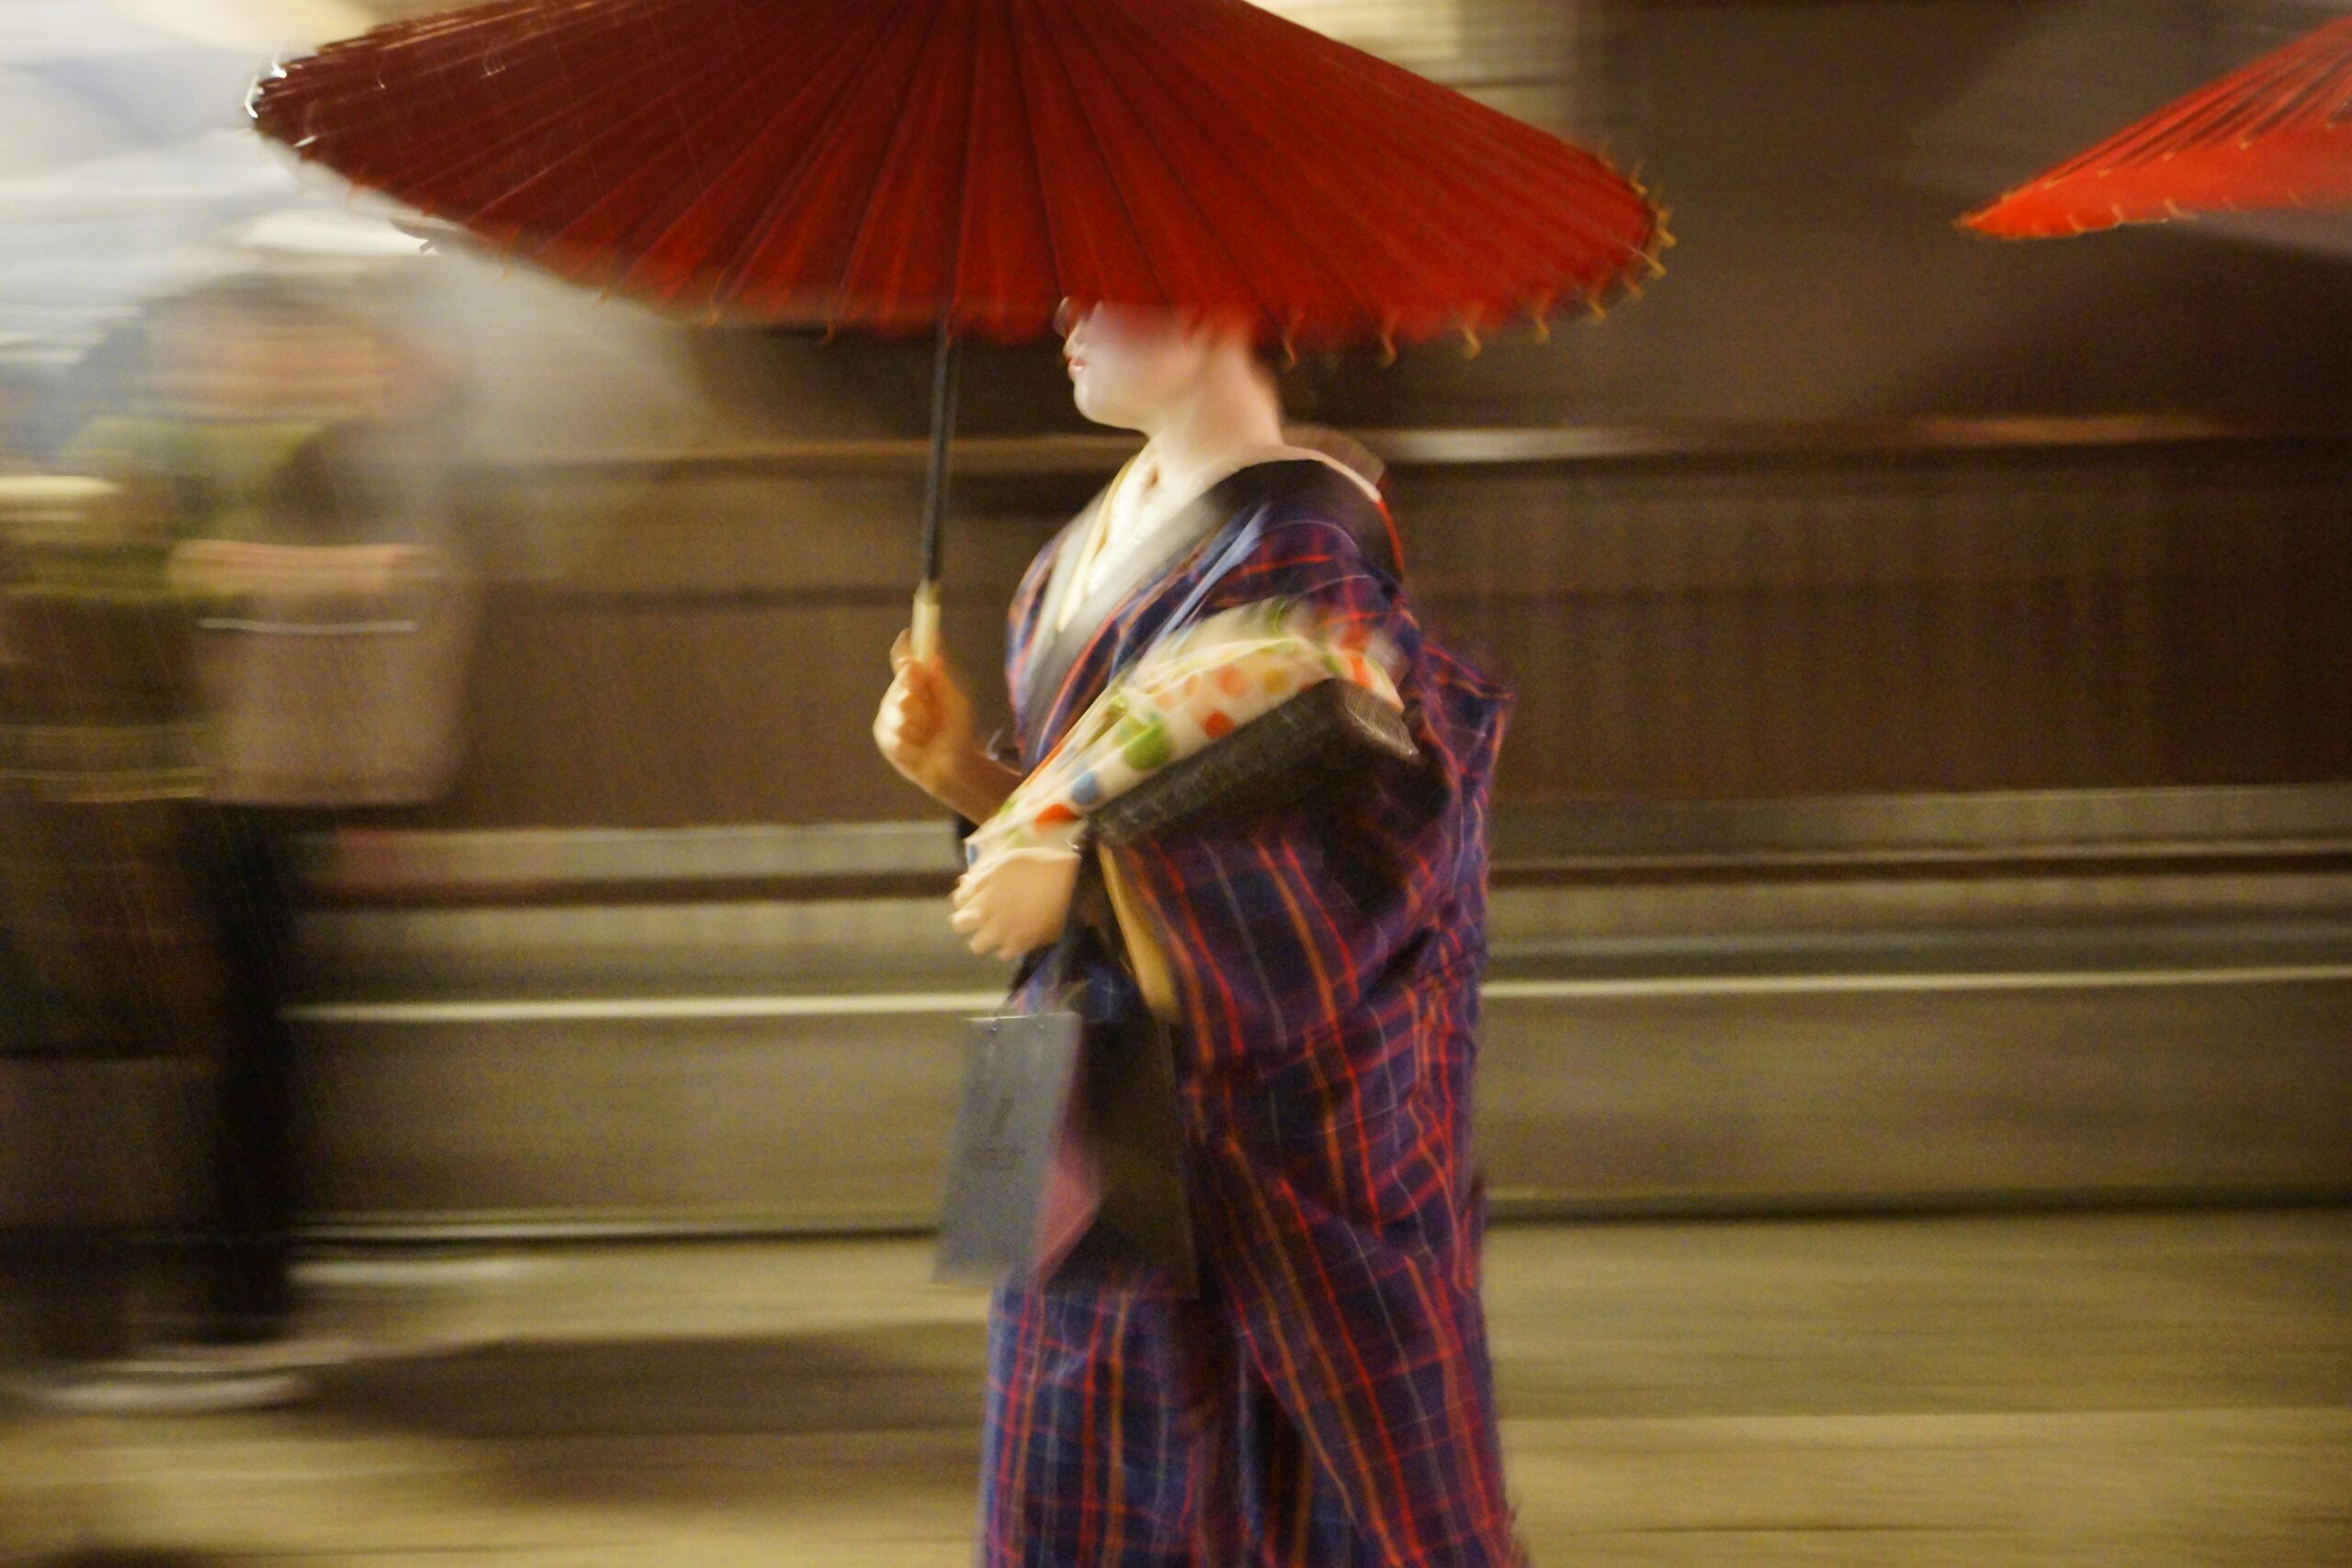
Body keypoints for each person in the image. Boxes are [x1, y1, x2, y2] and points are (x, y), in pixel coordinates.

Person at [875, 304, 1521, 1565]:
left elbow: (1342, 859)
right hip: (1103, 1069)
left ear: (1220, 299)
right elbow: (1087, 804)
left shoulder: (1305, 543)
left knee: (1278, 1485)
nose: (1067, 317)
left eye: (1107, 285)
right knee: (1088, 1442)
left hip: (1265, 1107)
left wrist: (1077, 855)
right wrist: (965, 772)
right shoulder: (1094, 537)